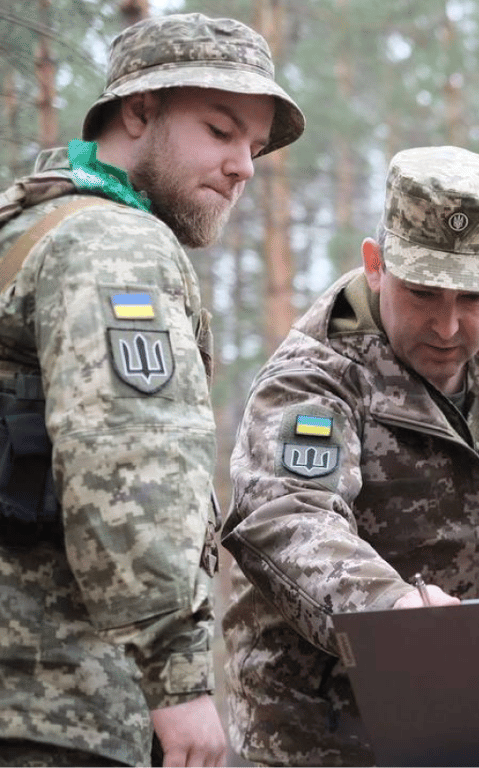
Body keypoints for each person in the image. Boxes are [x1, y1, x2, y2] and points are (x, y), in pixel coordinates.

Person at [0, 12, 304, 768]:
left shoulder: (26, 227)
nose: (243, 167)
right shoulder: (113, 243)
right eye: (219, 129)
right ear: (139, 110)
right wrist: (176, 683)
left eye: (255, 147)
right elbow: (126, 465)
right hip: (59, 706)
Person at [220, 145, 479, 766]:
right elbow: (288, 516)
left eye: (472, 299)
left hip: (470, 726)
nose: (446, 326)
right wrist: (391, 610)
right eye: (422, 294)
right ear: (376, 264)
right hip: (321, 735)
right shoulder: (315, 377)